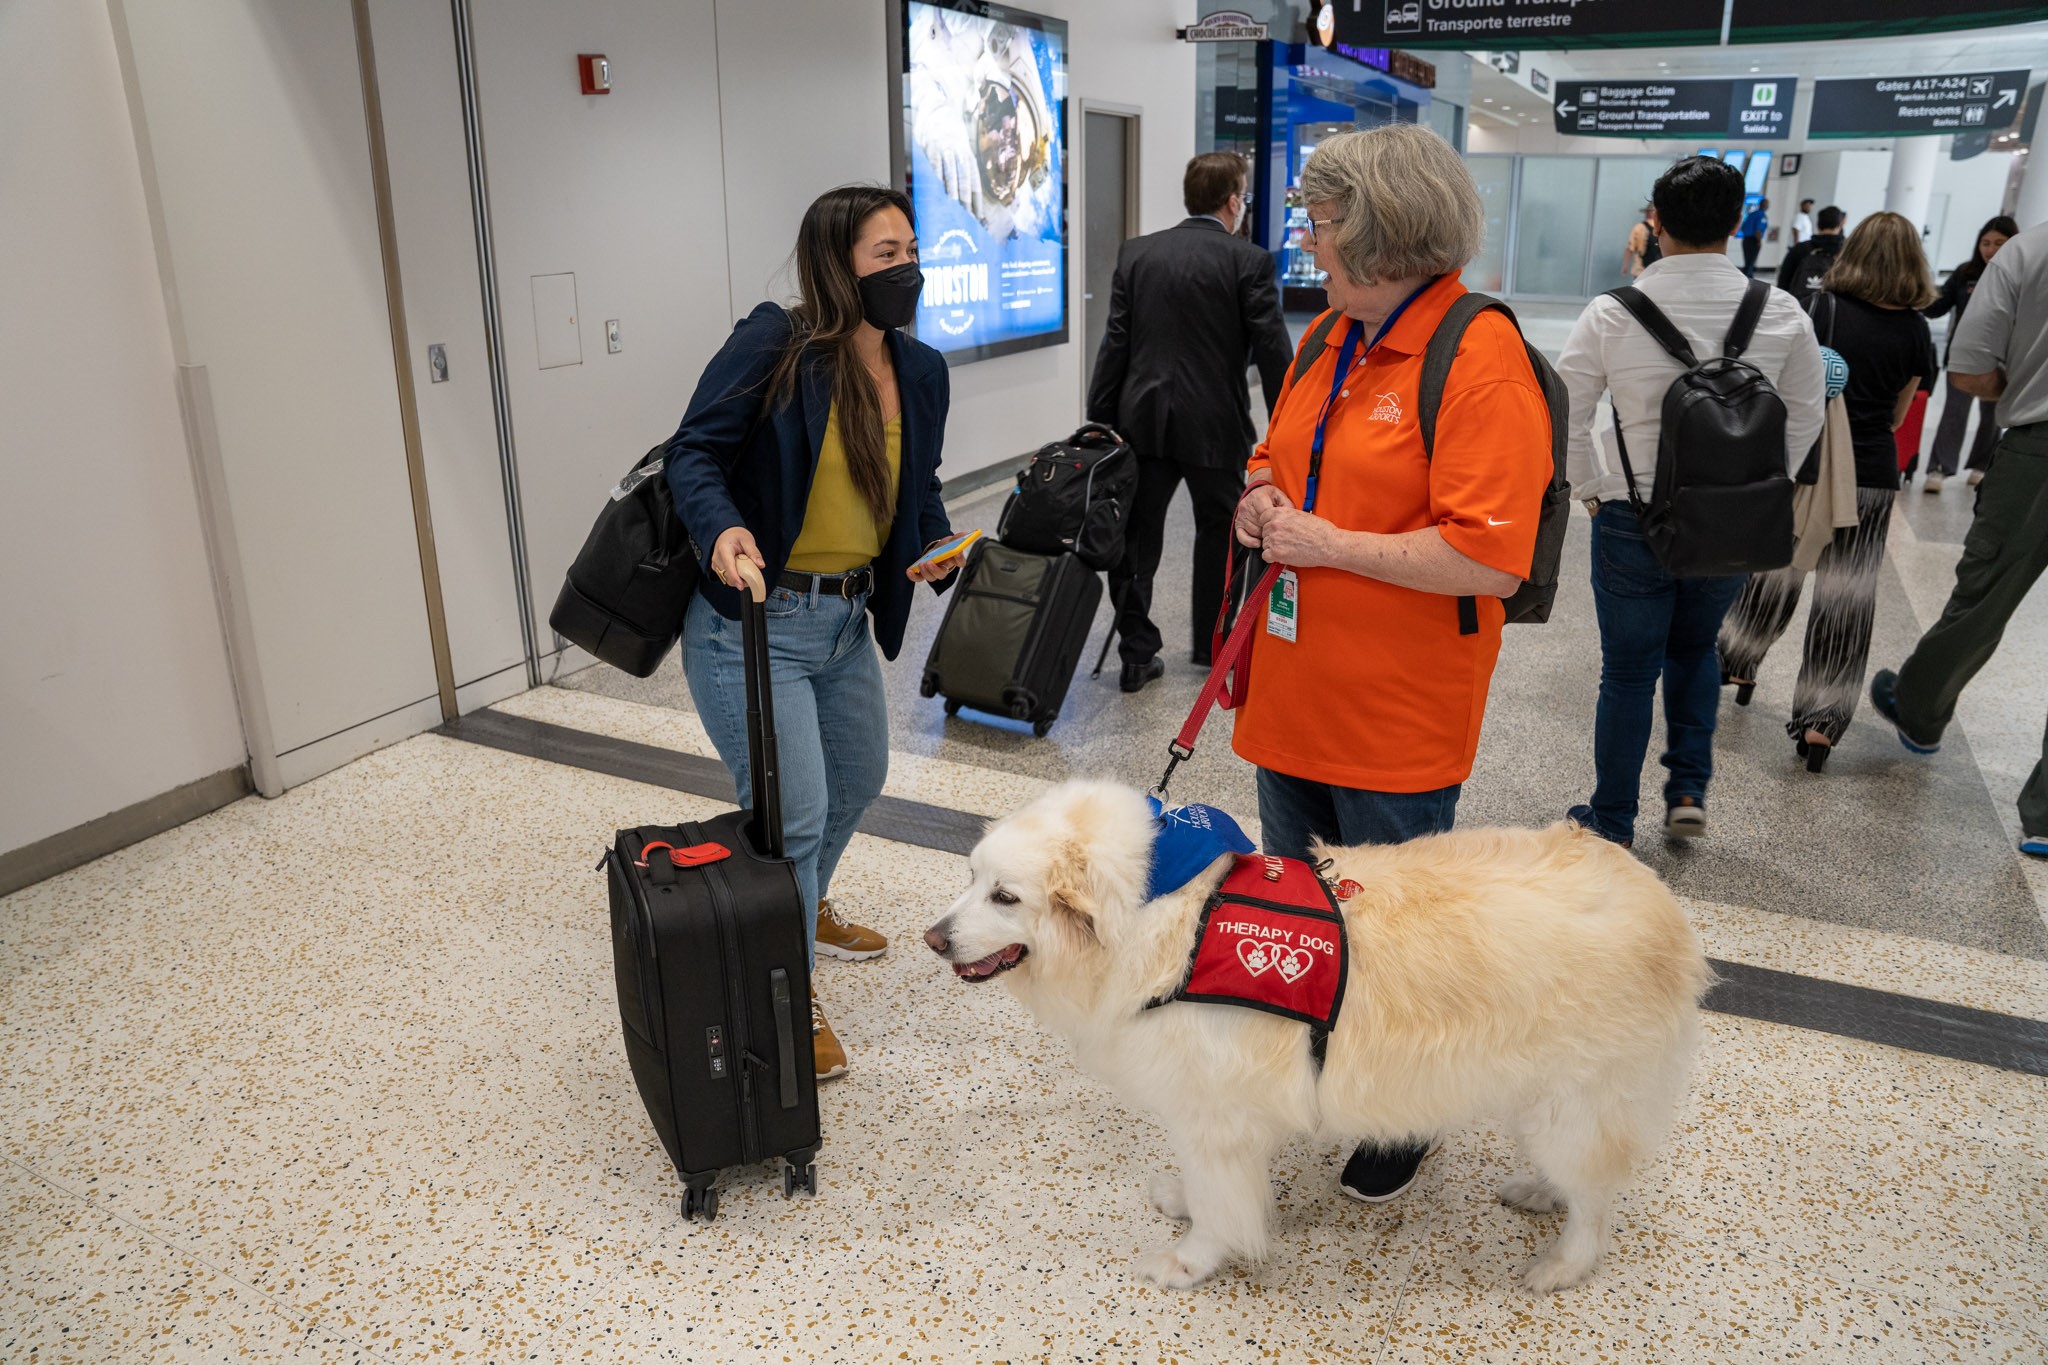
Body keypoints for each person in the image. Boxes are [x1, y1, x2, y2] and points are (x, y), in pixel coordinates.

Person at [1229, 124, 1552, 1204]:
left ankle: (1407, 1105)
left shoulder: (1478, 358)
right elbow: (1272, 453)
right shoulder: (1329, 335)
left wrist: (1323, 543)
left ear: (1376, 232)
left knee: (1396, 935)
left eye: (1320, 225)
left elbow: (1486, 558)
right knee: (1305, 912)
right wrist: (1259, 498)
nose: (1308, 245)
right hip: (1290, 689)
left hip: (1394, 713)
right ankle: (1326, 1062)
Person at [666, 185, 966, 1079]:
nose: (906, 269)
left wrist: (933, 541)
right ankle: (782, 989)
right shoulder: (776, 344)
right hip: (755, 624)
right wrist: (721, 528)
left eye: (912, 250)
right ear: (838, 266)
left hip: (842, 619)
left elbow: (921, 483)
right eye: (886, 255)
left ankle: (807, 901)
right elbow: (693, 450)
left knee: (860, 776)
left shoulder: (920, 369)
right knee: (791, 815)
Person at [1556, 156, 1825, 843]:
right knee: (1696, 648)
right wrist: (1761, 491)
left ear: (1656, 221)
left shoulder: (1612, 313)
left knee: (1627, 671)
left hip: (1629, 517)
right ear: (1737, 223)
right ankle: (1687, 790)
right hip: (1732, 519)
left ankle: (1612, 820)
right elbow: (1804, 416)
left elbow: (1564, 411)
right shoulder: (1783, 312)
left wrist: (1592, 489)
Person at [1717, 211, 1936, 772]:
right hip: (1872, 478)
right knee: (1848, 598)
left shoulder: (1823, 308)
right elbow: (1898, 415)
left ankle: (1738, 661)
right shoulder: (1916, 329)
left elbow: (1789, 384)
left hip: (1810, 465)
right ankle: (1821, 724)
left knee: (1776, 566)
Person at [1870, 220, 2048, 860]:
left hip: (2038, 452)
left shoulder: (2030, 250)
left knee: (1984, 596)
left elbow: (1970, 369)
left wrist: (2026, 384)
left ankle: (1918, 706)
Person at [1089, 152, 1292, 691]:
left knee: (1136, 536)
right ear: (1233, 200)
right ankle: (1214, 643)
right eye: (1243, 195)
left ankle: (1137, 652)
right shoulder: (1248, 261)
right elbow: (1273, 353)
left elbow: (1115, 345)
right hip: (1216, 425)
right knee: (1223, 533)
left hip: (1142, 423)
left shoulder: (1138, 254)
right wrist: (1289, 428)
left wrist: (1100, 422)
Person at [1921, 215, 2019, 490]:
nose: (1991, 249)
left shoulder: (2022, 277)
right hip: (1963, 358)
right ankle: (1939, 468)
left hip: (2003, 359)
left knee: (1992, 416)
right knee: (1954, 412)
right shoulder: (1966, 274)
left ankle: (1981, 465)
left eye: (2000, 243)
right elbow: (1936, 307)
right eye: (1985, 243)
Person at [1775, 204, 1847, 304]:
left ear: (1817, 224)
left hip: (1799, 308)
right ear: (1840, 225)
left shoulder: (1800, 249)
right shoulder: (1847, 252)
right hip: (1833, 310)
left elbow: (1783, 282)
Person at [1624, 204, 1662, 279]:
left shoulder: (1639, 227)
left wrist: (1624, 266)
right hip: (1658, 270)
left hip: (1641, 270)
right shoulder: (1662, 228)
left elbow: (1630, 248)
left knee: (1639, 289)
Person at [1739, 196, 1770, 278]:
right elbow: (1758, 230)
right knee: (1751, 263)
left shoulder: (1751, 214)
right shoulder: (1762, 216)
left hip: (1746, 240)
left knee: (1747, 262)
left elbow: (1743, 227)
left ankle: (1746, 278)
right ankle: (1748, 280)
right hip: (1754, 241)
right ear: (1765, 206)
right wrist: (1759, 242)